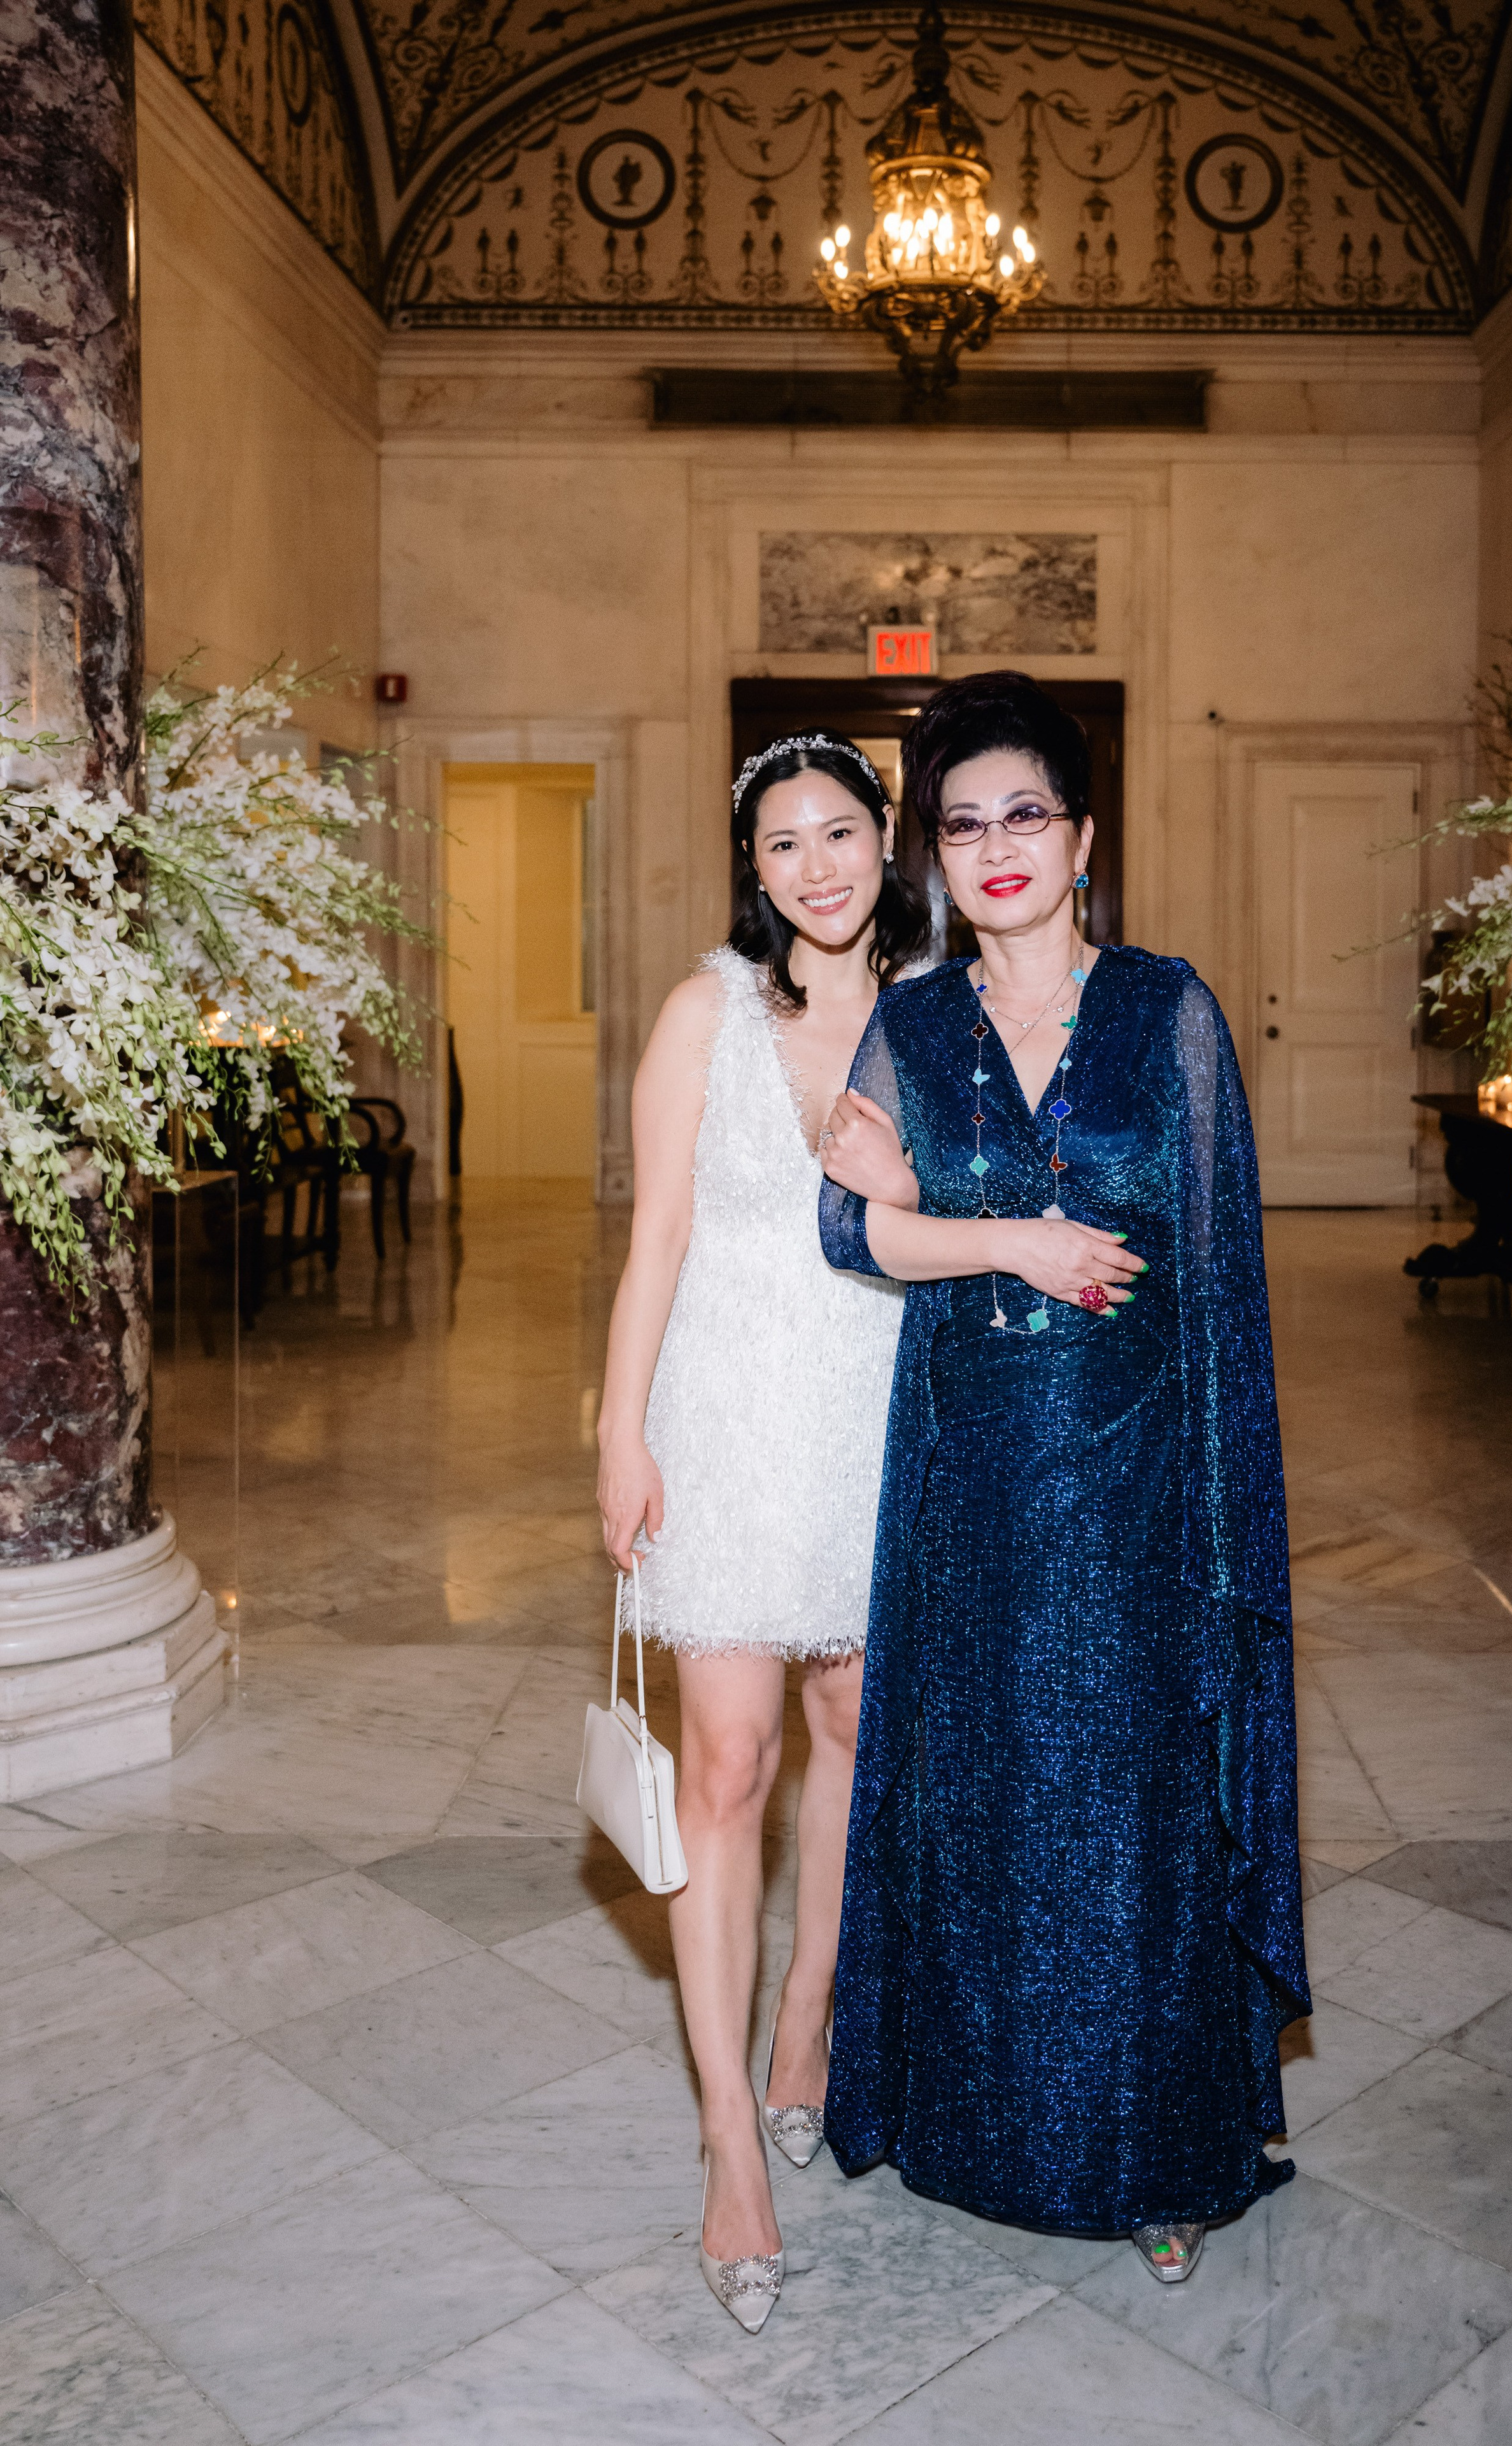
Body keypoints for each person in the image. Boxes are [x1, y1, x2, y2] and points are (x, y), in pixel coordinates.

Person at [816, 670, 1308, 2284]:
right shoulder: (911, 1023)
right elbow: (850, 1226)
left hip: (1137, 1480)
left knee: (1133, 1806)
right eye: (960, 824)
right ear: (934, 860)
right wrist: (1005, 1235)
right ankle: (976, 2125)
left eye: (1023, 812)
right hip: (967, 1481)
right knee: (985, 1800)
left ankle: (1157, 2151)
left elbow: (1219, 1274)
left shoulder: (1167, 1008)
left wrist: (1225, 1518)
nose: (993, 846)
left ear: (1081, 834)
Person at [595, 734, 961, 2331]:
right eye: (780, 844)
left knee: (851, 1728)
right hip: (733, 1418)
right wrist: (621, 1430)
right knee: (728, 1762)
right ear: (752, 870)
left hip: (882, 1411)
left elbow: (971, 1217)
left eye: (838, 832)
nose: (814, 865)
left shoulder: (940, 1014)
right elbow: (656, 1234)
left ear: (887, 841)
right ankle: (729, 2137)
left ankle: (809, 2006)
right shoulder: (704, 1015)